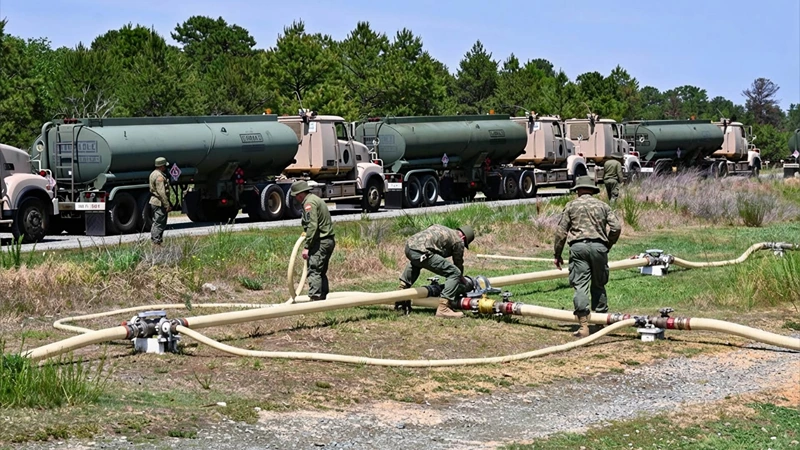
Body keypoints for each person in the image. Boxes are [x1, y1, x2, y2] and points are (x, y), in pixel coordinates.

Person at [554, 176, 622, 338]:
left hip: (578, 249)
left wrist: (557, 254)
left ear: (578, 189)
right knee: (599, 283)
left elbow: (561, 232)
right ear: (593, 190)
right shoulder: (603, 206)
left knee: (580, 284)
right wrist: (608, 244)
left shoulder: (571, 206)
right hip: (599, 247)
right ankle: (600, 323)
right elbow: (616, 227)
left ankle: (584, 326)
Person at [398, 224, 475, 318]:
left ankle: (400, 298)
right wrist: (461, 279)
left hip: (409, 247)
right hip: (422, 251)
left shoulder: (441, 228)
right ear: (463, 237)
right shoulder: (458, 240)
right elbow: (458, 263)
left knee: (417, 263)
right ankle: (443, 308)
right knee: (454, 273)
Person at [291, 180, 335, 301]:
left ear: (299, 195)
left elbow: (312, 225)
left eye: (295, 196)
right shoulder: (315, 199)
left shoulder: (309, 203)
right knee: (321, 271)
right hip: (328, 240)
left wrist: (306, 247)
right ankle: (323, 296)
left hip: (321, 242)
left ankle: (315, 298)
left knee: (314, 269)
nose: (296, 199)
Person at [149, 157, 171, 245]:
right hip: (159, 202)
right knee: (159, 223)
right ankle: (156, 242)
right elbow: (161, 192)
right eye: (164, 166)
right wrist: (167, 205)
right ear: (161, 166)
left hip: (155, 201)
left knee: (156, 222)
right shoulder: (159, 176)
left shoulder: (153, 173)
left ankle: (156, 240)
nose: (165, 167)